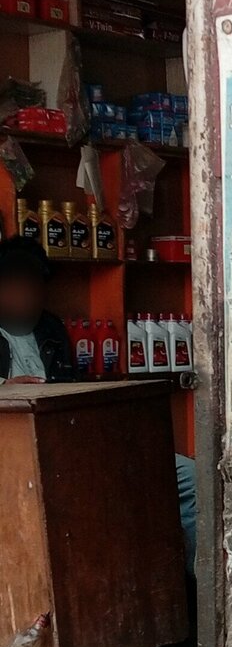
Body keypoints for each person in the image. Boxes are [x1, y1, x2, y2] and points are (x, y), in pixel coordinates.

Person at [0, 235, 196, 574]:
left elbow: (72, 391)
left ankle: (198, 581)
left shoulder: (50, 328)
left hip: (74, 442)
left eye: (33, 288)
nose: (26, 297)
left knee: (188, 476)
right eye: (16, 287)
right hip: (18, 461)